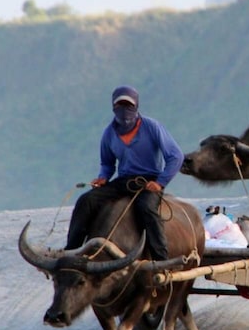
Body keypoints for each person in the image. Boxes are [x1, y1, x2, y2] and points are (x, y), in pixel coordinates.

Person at [64, 85, 183, 262]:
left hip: (149, 181)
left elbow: (176, 156)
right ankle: (71, 253)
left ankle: (161, 259)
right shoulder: (109, 133)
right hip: (123, 181)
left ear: (136, 107)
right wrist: (103, 177)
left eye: (129, 106)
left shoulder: (152, 127)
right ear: (113, 107)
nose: (124, 111)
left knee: (146, 208)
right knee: (86, 201)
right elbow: (107, 163)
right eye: (120, 106)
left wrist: (160, 182)